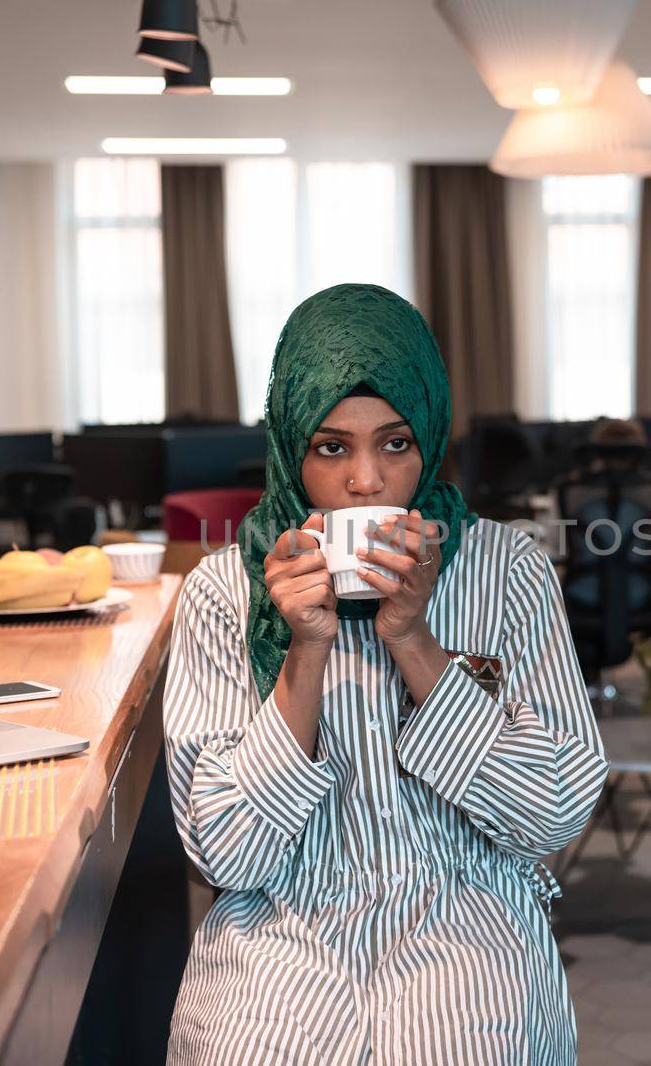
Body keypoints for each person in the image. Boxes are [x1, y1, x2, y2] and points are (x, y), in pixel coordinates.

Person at [163, 283, 609, 1064]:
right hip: (280, 933)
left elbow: (557, 814)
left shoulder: (508, 572)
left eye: (394, 444)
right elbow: (222, 859)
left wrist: (416, 643)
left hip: (468, 923)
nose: (366, 482)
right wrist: (303, 650)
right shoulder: (223, 593)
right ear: (291, 447)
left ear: (430, 440)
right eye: (332, 447)